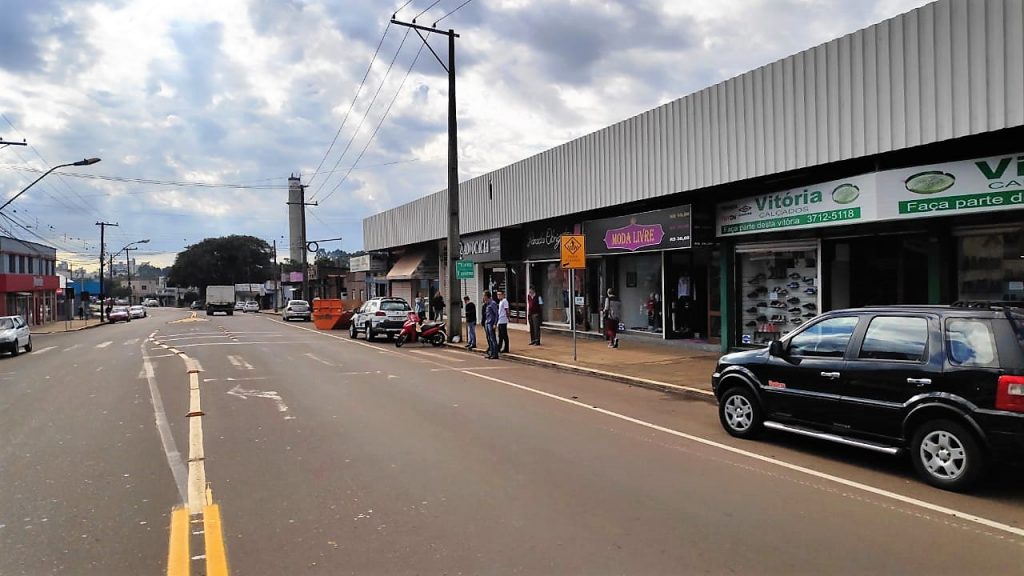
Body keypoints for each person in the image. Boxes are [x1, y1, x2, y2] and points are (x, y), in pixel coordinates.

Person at [482, 291, 499, 359]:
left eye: (484, 296)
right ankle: (491, 353)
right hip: (487, 322)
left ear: (487, 296)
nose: (483, 297)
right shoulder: (487, 304)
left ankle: (495, 354)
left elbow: (496, 314)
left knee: (493, 339)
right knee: (489, 339)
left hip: (491, 323)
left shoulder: (493, 303)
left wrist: (495, 323)